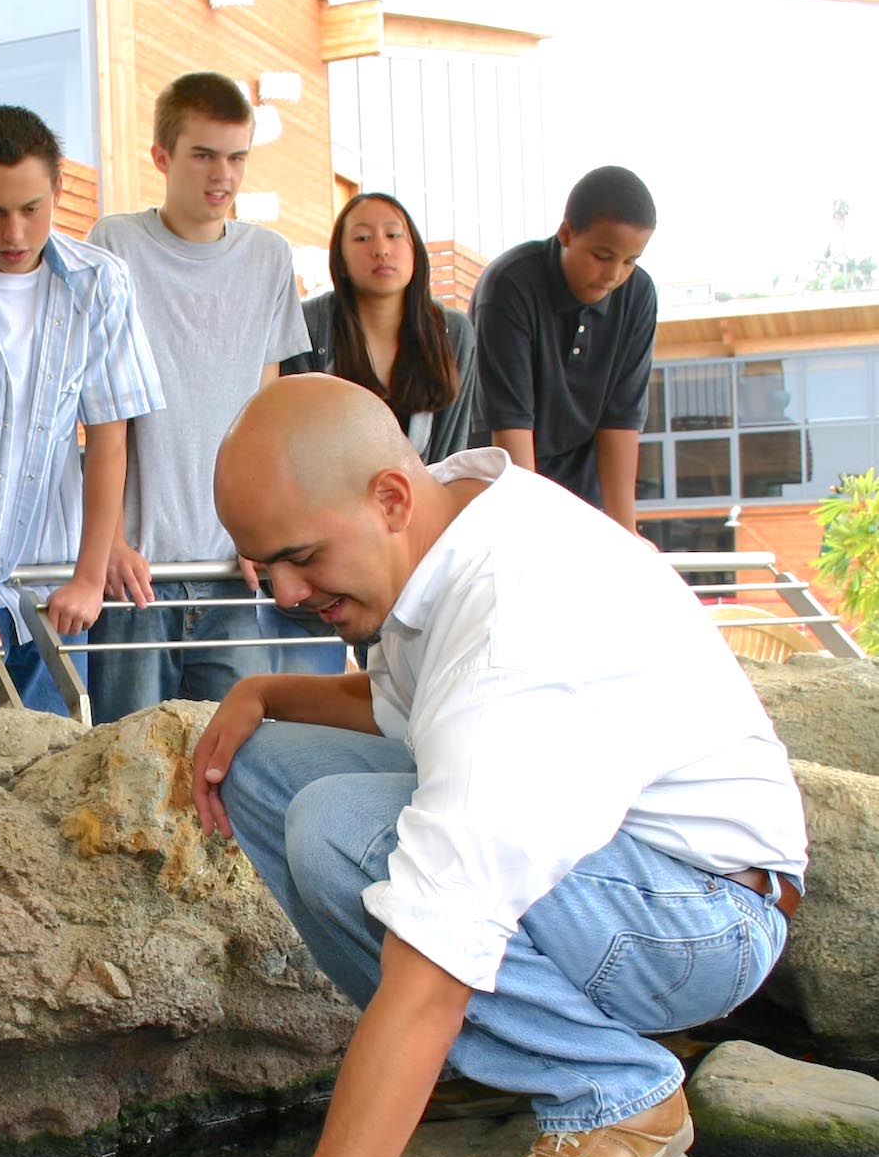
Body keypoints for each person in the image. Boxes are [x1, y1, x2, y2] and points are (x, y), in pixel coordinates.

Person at [187, 377, 806, 1157]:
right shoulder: (438, 525)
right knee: (273, 771)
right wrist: (267, 693)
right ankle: (500, 1055)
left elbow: (427, 965)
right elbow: (403, 712)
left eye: (297, 560)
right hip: (621, 871)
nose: (282, 591)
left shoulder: (516, 622)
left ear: (386, 494)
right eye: (259, 566)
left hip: (700, 907)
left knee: (342, 832)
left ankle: (615, 1088)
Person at [0, 105, 164, 714]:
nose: (14, 233)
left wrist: (90, 577)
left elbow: (109, 438)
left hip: (54, 593)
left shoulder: (102, 282)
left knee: (53, 786)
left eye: (30, 209)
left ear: (58, 190)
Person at [85, 72, 327, 724]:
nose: (221, 175)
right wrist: (105, 540)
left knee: (239, 769)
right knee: (125, 771)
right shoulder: (113, 247)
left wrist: (265, 530)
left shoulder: (269, 257)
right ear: (162, 157)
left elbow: (267, 410)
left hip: (233, 569)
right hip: (133, 575)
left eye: (236, 157)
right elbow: (95, 410)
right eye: (202, 155)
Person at [470, 165, 658, 531]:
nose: (614, 274)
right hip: (500, 482)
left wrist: (627, 533)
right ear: (567, 232)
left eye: (630, 261)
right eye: (603, 256)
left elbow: (620, 421)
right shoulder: (509, 286)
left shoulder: (638, 295)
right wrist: (532, 533)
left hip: (581, 489)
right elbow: (510, 428)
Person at [282, 191, 477, 464]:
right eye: (362, 238)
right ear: (341, 260)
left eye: (394, 235)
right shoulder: (309, 325)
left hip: (425, 498)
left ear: (414, 250)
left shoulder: (453, 332)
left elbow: (454, 455)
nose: (381, 249)